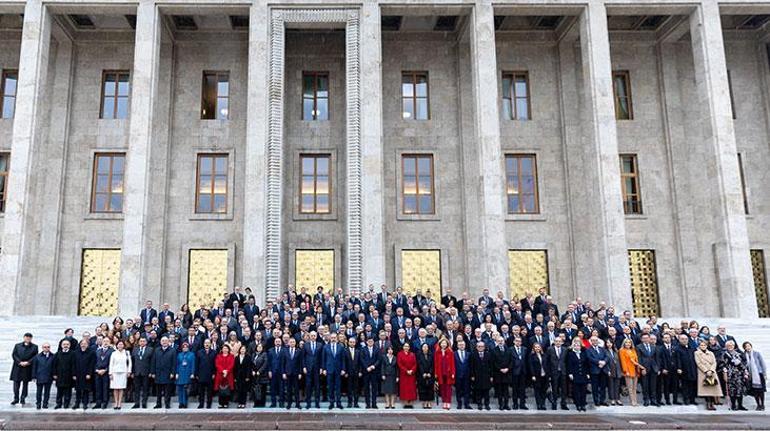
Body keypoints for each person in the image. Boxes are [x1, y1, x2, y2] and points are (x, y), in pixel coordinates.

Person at [10, 332, 38, 406]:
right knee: (16, 384)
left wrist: (28, 362)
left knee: (25, 384)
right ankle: (16, 398)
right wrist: (19, 362)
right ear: (24, 337)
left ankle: (23, 398)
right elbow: (14, 355)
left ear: (31, 338)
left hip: (27, 368)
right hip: (17, 367)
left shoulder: (34, 347)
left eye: (29, 337)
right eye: (26, 337)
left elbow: (35, 356)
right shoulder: (17, 345)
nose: (28, 338)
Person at [694, 339, 722, 410]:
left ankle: (712, 403)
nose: (703, 346)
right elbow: (698, 363)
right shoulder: (697, 353)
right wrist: (706, 371)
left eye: (704, 345)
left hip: (712, 372)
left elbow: (714, 362)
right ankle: (708, 403)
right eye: (701, 345)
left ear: (707, 346)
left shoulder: (711, 353)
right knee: (706, 389)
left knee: (713, 388)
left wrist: (712, 370)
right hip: (703, 372)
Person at [720, 340, 747, 411]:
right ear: (726, 346)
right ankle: (733, 405)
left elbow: (744, 363)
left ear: (734, 346)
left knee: (740, 390)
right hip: (730, 375)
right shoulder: (724, 354)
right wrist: (724, 370)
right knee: (732, 390)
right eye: (728, 345)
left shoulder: (739, 354)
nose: (730, 347)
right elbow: (721, 364)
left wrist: (740, 364)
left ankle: (740, 405)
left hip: (739, 375)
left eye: (731, 345)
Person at [151, 336, 177, 409]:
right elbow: (153, 361)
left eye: (166, 341)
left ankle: (167, 403)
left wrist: (173, 372)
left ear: (168, 342)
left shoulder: (172, 350)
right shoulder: (156, 350)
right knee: (158, 390)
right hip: (158, 373)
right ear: (160, 342)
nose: (164, 342)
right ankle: (158, 404)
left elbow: (174, 363)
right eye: (163, 341)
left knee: (167, 390)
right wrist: (153, 372)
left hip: (168, 373)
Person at [322, 334, 345, 409]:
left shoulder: (341, 347)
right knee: (330, 387)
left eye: (334, 338)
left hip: (338, 370)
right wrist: (324, 369)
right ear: (329, 338)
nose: (333, 339)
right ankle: (331, 402)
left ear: (337, 338)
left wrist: (343, 369)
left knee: (338, 387)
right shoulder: (325, 347)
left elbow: (343, 359)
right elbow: (323, 359)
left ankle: (338, 402)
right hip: (329, 369)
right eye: (332, 338)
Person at [674, 334, 698, 405]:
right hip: (684, 370)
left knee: (693, 385)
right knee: (685, 386)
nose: (684, 340)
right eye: (682, 339)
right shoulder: (677, 349)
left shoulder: (692, 348)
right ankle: (686, 399)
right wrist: (679, 368)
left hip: (692, 369)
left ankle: (692, 400)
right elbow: (677, 359)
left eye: (686, 339)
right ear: (679, 340)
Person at [637, 334, 660, 406]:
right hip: (644, 368)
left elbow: (657, 359)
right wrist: (642, 368)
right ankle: (646, 400)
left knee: (653, 385)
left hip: (653, 368)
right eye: (644, 338)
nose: (646, 339)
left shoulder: (653, 347)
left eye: (647, 338)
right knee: (645, 385)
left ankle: (653, 400)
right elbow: (639, 359)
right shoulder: (639, 347)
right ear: (641, 339)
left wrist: (658, 368)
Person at [545, 337, 568, 410]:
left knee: (564, 389)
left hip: (563, 372)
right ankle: (554, 403)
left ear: (562, 342)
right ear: (554, 342)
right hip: (553, 372)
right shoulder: (550, 349)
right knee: (554, 388)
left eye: (559, 341)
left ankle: (563, 403)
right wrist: (548, 373)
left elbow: (567, 361)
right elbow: (547, 362)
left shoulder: (565, 349)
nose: (558, 343)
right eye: (556, 341)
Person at [586, 336, 609, 407]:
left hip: (603, 370)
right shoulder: (588, 350)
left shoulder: (602, 349)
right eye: (593, 340)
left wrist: (604, 362)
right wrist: (599, 362)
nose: (594, 342)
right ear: (591, 342)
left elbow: (607, 356)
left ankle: (603, 400)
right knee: (595, 387)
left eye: (596, 340)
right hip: (594, 370)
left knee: (603, 386)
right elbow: (590, 358)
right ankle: (596, 401)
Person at [53, 339, 76, 409]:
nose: (65, 346)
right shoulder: (57, 354)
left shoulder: (73, 353)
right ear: (61, 345)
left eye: (67, 344)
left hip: (69, 376)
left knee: (68, 391)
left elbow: (74, 365)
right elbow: (54, 365)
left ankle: (66, 404)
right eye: (64, 344)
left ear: (69, 345)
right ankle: (58, 404)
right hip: (59, 375)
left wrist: (74, 374)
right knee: (59, 391)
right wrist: (54, 374)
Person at [567, 338, 589, 412]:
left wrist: (587, 373)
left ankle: (583, 405)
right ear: (573, 346)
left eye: (578, 345)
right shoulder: (570, 354)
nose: (577, 347)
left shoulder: (583, 353)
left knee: (583, 390)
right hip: (575, 374)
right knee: (576, 391)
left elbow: (586, 364)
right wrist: (570, 373)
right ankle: (578, 405)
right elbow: (569, 364)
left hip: (583, 374)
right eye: (575, 345)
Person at [131, 337, 153, 408]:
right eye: (141, 341)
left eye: (144, 341)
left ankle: (144, 403)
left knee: (145, 388)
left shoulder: (150, 350)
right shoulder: (135, 349)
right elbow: (132, 361)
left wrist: (151, 372)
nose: (142, 342)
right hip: (136, 372)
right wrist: (132, 372)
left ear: (146, 342)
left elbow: (152, 362)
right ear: (139, 342)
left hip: (146, 372)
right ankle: (136, 403)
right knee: (136, 388)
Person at [470, 340, 492, 410]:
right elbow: (471, 366)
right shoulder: (473, 355)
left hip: (486, 376)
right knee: (478, 391)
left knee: (486, 392)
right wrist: (472, 375)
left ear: (484, 347)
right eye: (479, 346)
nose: (480, 348)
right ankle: (479, 404)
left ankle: (487, 404)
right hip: (477, 376)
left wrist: (491, 376)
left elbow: (491, 366)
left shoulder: (488, 354)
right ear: (476, 347)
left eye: (482, 346)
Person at [744, 341, 766, 411]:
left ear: (751, 346)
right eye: (746, 346)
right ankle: (758, 405)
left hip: (759, 374)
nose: (748, 347)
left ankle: (762, 404)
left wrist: (765, 374)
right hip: (751, 375)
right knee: (755, 391)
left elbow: (763, 364)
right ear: (744, 348)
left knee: (761, 391)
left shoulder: (757, 353)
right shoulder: (744, 355)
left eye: (749, 346)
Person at [109, 340, 131, 410]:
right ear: (117, 345)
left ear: (124, 345)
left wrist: (129, 371)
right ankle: (116, 402)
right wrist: (110, 373)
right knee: (115, 388)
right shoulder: (113, 353)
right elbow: (111, 363)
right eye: (119, 344)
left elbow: (129, 363)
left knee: (121, 388)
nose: (120, 346)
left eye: (121, 344)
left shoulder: (127, 353)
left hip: (123, 372)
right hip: (115, 372)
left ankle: (119, 403)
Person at [31, 342, 54, 409]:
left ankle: (45, 404)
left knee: (47, 392)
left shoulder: (53, 356)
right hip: (40, 376)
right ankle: (38, 403)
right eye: (45, 347)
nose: (46, 348)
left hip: (49, 376)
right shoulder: (37, 356)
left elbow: (55, 366)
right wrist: (33, 376)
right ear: (42, 348)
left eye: (48, 347)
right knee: (39, 392)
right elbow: (34, 367)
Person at [491, 336, 511, 410]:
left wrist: (507, 368)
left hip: (507, 373)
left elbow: (511, 361)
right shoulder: (494, 350)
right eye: (499, 341)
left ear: (504, 341)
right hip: (498, 373)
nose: (500, 342)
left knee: (506, 390)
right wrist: (500, 369)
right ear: (496, 341)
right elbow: (493, 362)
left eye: (502, 340)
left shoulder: (508, 350)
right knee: (499, 391)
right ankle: (501, 405)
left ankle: (506, 404)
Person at [195, 338, 217, 409]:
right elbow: (197, 363)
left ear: (210, 344)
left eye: (208, 343)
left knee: (210, 391)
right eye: (205, 343)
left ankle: (209, 404)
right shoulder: (199, 352)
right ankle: (201, 404)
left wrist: (214, 373)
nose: (207, 344)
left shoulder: (214, 352)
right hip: (201, 374)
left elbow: (215, 364)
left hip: (210, 374)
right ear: (203, 344)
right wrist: (196, 373)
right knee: (201, 391)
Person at [302, 331, 322, 409]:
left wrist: (321, 368)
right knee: (308, 386)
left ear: (316, 336)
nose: (313, 337)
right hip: (308, 368)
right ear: (309, 336)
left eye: (314, 335)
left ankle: (317, 403)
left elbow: (321, 357)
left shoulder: (320, 345)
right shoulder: (305, 345)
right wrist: (304, 367)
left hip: (317, 368)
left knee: (317, 386)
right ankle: (308, 403)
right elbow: (303, 357)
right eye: (311, 335)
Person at [434, 338, 455, 410]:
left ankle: (448, 402)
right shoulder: (437, 352)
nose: (443, 344)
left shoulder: (450, 352)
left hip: (448, 373)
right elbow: (436, 363)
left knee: (448, 388)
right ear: (440, 344)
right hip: (440, 373)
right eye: (442, 343)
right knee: (442, 388)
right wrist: (436, 373)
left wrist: (453, 373)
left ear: (447, 344)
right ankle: (444, 402)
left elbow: (452, 363)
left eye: (445, 343)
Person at [281, 338, 303, 410]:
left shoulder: (299, 351)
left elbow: (300, 363)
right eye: (291, 342)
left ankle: (297, 404)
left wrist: (300, 373)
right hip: (288, 373)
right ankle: (289, 404)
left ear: (295, 343)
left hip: (296, 373)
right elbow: (283, 363)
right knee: (289, 389)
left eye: (293, 342)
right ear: (288, 343)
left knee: (296, 389)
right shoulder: (285, 351)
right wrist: (283, 372)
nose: (292, 343)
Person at [360, 337, 381, 409]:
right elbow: (362, 359)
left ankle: (374, 404)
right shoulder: (363, 349)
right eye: (369, 341)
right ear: (366, 342)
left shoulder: (377, 349)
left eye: (371, 341)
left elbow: (379, 359)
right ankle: (368, 404)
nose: (370, 342)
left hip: (374, 371)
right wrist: (367, 367)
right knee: (366, 388)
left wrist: (373, 366)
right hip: (366, 371)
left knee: (374, 388)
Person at [619, 338, 640, 406]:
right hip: (628, 370)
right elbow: (623, 361)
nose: (628, 344)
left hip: (635, 370)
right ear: (624, 343)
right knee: (630, 388)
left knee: (634, 388)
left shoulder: (633, 350)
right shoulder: (622, 351)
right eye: (626, 342)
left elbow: (636, 360)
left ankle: (635, 401)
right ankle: (632, 402)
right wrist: (625, 371)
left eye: (629, 343)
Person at [93, 338, 113, 409]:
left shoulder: (112, 351)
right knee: (98, 388)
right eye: (104, 341)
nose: (105, 342)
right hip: (98, 372)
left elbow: (112, 363)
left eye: (107, 341)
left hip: (106, 372)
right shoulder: (97, 351)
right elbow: (94, 362)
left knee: (105, 388)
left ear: (110, 342)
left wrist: (105, 370)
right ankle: (98, 403)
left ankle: (105, 402)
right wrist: (97, 370)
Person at [397, 342, 417, 408]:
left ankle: (410, 403)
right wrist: (406, 371)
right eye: (405, 346)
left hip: (411, 374)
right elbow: (399, 364)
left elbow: (415, 364)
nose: (406, 347)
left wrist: (412, 370)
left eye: (407, 346)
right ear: (403, 347)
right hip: (404, 374)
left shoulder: (412, 354)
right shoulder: (400, 354)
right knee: (404, 389)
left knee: (411, 389)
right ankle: (405, 403)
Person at [175, 342, 195, 408]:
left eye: (186, 347)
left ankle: (185, 403)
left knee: (185, 389)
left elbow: (193, 364)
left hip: (187, 373)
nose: (185, 348)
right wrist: (177, 373)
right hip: (180, 373)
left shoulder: (192, 354)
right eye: (184, 347)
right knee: (180, 389)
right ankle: (180, 403)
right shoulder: (179, 355)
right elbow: (177, 364)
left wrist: (192, 373)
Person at [529, 343, 548, 410]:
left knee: (544, 391)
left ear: (540, 348)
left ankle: (543, 404)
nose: (537, 348)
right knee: (537, 391)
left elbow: (547, 365)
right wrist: (533, 375)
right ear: (533, 348)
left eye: (538, 347)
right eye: (536, 347)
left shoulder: (544, 355)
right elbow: (531, 366)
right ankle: (539, 404)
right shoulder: (531, 356)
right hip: (536, 376)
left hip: (544, 375)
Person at [343, 337, 362, 408]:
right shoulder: (345, 351)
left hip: (357, 372)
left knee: (356, 388)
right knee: (349, 388)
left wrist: (360, 371)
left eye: (353, 342)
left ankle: (356, 403)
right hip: (348, 373)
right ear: (348, 342)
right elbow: (344, 362)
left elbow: (360, 362)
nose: (352, 343)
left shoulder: (358, 351)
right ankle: (350, 402)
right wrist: (345, 371)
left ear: (355, 343)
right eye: (350, 342)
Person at [454, 339, 471, 410]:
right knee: (458, 390)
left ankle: (467, 404)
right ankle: (459, 403)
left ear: (465, 346)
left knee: (467, 390)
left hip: (466, 375)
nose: (461, 346)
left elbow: (471, 365)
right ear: (457, 346)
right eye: (460, 345)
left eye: (463, 345)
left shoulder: (469, 354)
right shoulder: (454, 354)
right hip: (458, 375)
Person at [267, 338, 285, 408]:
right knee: (272, 388)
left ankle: (281, 403)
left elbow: (285, 362)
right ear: (274, 342)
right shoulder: (270, 350)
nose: (278, 342)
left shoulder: (284, 350)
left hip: (281, 372)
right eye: (276, 341)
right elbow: (268, 362)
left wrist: (284, 372)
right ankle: (273, 403)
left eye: (279, 341)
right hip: (273, 372)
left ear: (281, 342)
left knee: (281, 388)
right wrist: (269, 371)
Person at [417, 342, 434, 409]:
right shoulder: (419, 355)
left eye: (426, 347)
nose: (425, 348)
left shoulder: (431, 355)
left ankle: (429, 402)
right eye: (423, 347)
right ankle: (424, 402)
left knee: (430, 389)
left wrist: (430, 372)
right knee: (422, 389)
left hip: (430, 374)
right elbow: (419, 364)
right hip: (422, 374)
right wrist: (423, 373)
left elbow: (433, 365)